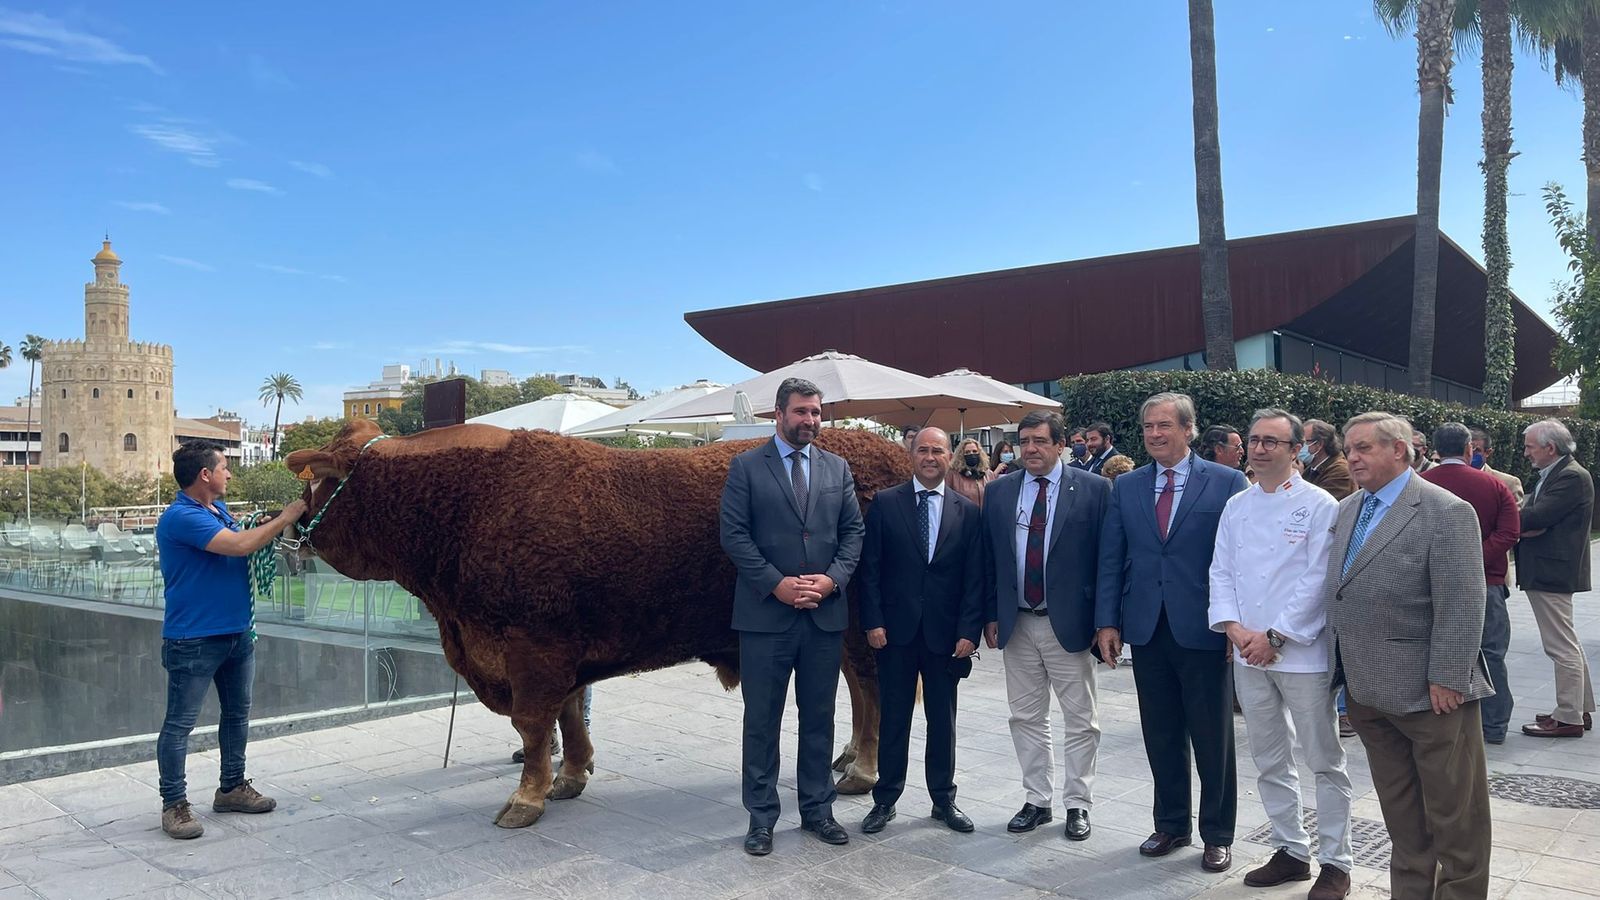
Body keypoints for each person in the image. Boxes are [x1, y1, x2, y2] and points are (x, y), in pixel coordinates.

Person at [1325, 412, 1493, 900]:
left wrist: (1448, 676)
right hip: (1369, 695)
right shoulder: (1349, 508)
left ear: (1399, 449)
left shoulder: (1446, 511)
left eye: (1363, 448)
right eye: (1348, 449)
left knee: (1456, 821)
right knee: (1403, 820)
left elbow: (1463, 603)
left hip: (1431, 696)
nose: (1351, 458)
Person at [1096, 392, 1249, 873]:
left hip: (1205, 628)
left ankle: (1217, 833)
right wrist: (1107, 620)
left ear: (1188, 429)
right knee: (1160, 732)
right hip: (1146, 627)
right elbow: (1112, 558)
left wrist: (1234, 626)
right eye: (1148, 427)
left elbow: (1239, 562)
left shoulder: (1226, 483)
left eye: (1165, 426)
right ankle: (1171, 823)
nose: (1155, 434)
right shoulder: (1128, 487)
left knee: (1212, 737)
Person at [1208, 409, 1351, 900]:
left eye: (1273, 441)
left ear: (1297, 451)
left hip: (1301, 654)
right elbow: (1220, 571)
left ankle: (1337, 861)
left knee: (1324, 760)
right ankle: (1290, 849)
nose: (1261, 448)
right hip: (1248, 651)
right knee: (1269, 758)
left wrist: (1276, 636)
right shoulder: (1237, 506)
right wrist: (1233, 629)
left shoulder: (1320, 505)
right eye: (1254, 440)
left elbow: (1317, 580)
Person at [721, 377, 865, 856]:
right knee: (761, 720)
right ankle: (761, 819)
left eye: (816, 412)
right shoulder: (745, 467)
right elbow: (734, 536)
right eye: (801, 411)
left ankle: (818, 810)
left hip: (823, 616)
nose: (810, 420)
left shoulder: (837, 469)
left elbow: (853, 534)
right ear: (777, 415)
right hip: (765, 617)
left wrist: (831, 580)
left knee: (819, 718)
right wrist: (776, 584)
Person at [155, 441, 308, 840]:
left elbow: (242, 536)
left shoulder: (216, 510)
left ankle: (232, 788)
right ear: (205, 475)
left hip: (236, 634)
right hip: (193, 640)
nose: (229, 474)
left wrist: (271, 522)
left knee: (237, 715)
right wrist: (288, 515)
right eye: (224, 467)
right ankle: (175, 805)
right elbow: (240, 545)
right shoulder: (181, 517)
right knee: (179, 725)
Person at [981, 410, 1110, 841]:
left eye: (1040, 440)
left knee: (1081, 720)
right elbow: (988, 559)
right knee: (1025, 717)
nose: (1031, 449)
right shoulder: (999, 492)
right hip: (1017, 622)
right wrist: (989, 614)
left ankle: (1078, 803)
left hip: (1069, 624)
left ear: (1060, 445)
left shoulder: (1093, 489)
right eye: (1024, 441)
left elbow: (1106, 561)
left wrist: (1105, 622)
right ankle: (1037, 800)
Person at [857, 427, 984, 835]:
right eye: (923, 450)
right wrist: (873, 621)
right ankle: (885, 799)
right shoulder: (885, 504)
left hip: (946, 637)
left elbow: (974, 578)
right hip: (895, 634)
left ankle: (943, 799)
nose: (930, 457)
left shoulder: (967, 511)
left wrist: (970, 630)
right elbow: (869, 569)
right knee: (894, 717)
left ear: (950, 457)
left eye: (938, 450)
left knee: (942, 720)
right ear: (911, 455)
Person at [1421, 422, 1520, 744]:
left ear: (1435, 451)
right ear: (1469, 450)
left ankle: (1446, 720)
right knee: (1491, 654)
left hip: (1432, 585)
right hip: (1487, 583)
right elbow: (1509, 533)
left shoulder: (1420, 485)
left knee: (1437, 652)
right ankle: (1494, 726)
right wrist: (1474, 559)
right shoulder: (1494, 486)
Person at [1516, 419, 1596, 739]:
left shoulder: (1571, 476)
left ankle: (1568, 718)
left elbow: (1532, 517)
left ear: (1550, 448)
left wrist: (1526, 522)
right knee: (1568, 643)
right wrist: (1528, 522)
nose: (1525, 453)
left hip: (1552, 571)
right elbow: (1531, 517)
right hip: (1551, 568)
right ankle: (1578, 709)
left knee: (1560, 646)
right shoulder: (1558, 473)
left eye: (1530, 447)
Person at [1300, 420, 1355, 501]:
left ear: (1319, 444)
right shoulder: (1312, 468)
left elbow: (1317, 505)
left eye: (1304, 442)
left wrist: (1297, 480)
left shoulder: (1340, 471)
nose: (1299, 447)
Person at [1470, 427, 1525, 502]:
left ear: (1488, 452)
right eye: (1466, 450)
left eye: (1476, 450)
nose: (1469, 454)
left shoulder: (1509, 483)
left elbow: (1514, 513)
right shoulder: (1452, 478)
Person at [947, 437, 995, 508]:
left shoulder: (988, 474)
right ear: (961, 454)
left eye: (974, 451)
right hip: (963, 516)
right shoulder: (952, 475)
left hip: (985, 516)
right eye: (967, 452)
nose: (971, 454)